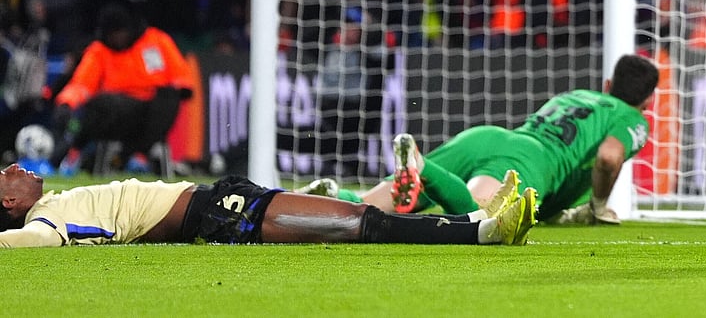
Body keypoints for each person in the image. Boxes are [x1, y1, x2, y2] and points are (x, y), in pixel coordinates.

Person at [332, 53, 658, 224]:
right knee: (481, 217)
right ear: (648, 101)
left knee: (366, 207)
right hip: (530, 159)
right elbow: (608, 157)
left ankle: (330, 195)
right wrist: (598, 206)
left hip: (488, 137)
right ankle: (421, 166)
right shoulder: (632, 118)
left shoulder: (578, 95)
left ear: (607, 85)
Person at [0, 163, 535, 248]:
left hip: (216, 199)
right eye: (6, 174)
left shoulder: (56, 198)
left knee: (353, 219)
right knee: (353, 224)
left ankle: (471, 218)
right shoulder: (46, 219)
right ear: (8, 201)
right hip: (215, 214)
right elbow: (34, 240)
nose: (16, 167)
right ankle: (482, 232)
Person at [51, 3, 193, 175]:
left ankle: (130, 155)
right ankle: (72, 154)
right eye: (113, 34)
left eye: (120, 32)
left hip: (153, 109)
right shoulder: (99, 51)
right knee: (99, 105)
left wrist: (183, 88)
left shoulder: (156, 40)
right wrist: (66, 103)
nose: (117, 38)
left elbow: (181, 76)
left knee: (169, 97)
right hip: (117, 110)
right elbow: (81, 84)